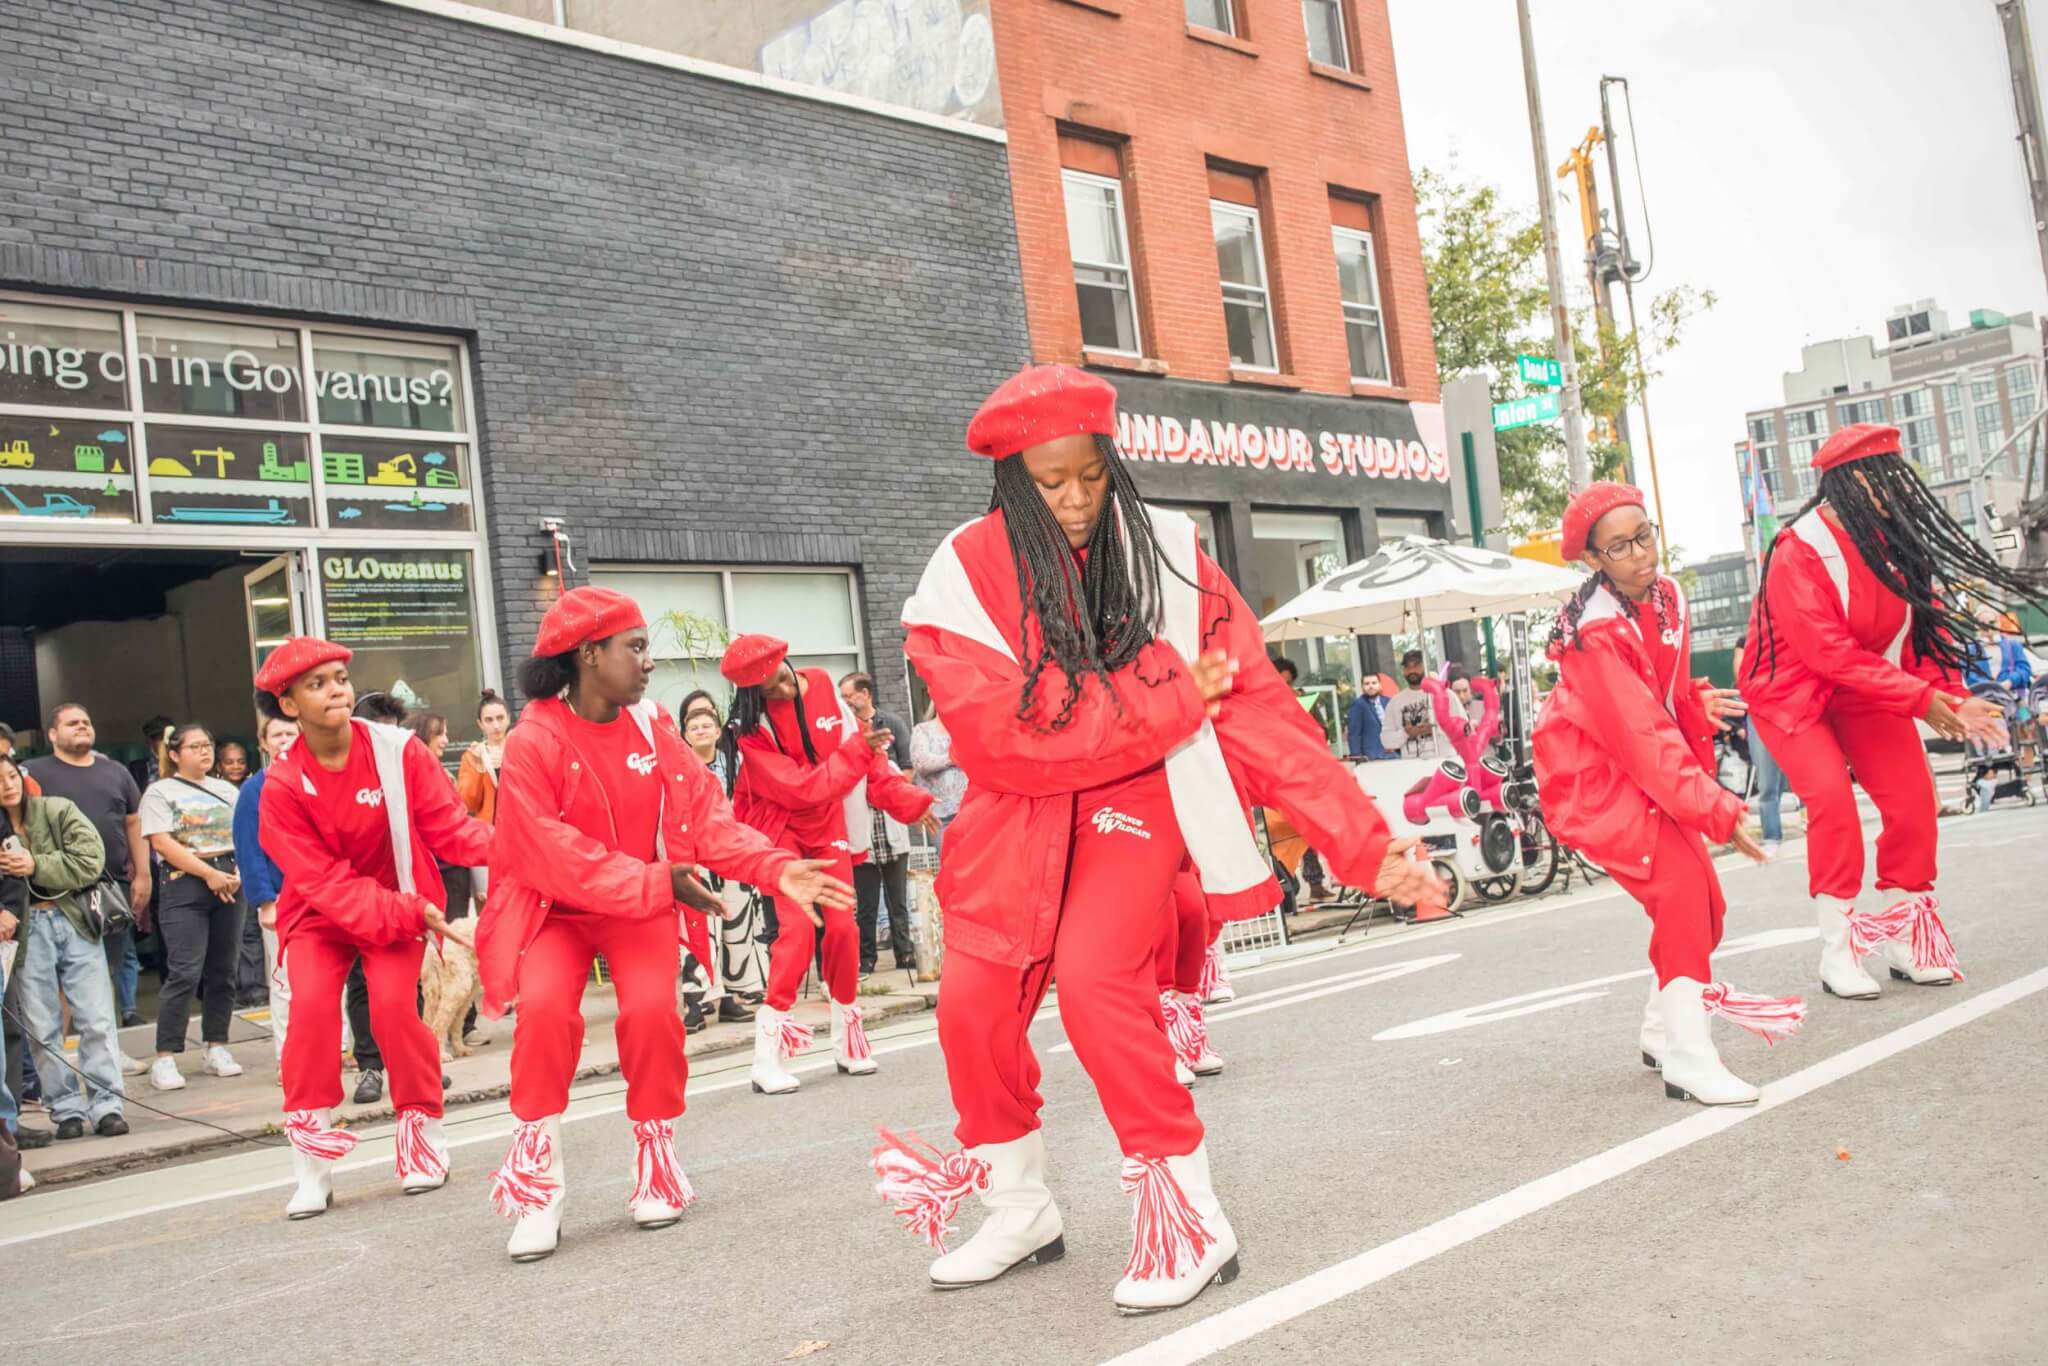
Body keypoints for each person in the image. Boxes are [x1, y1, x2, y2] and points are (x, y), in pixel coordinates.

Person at [874, 364, 1437, 1313]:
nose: (1077, 499)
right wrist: (1169, 697)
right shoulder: (959, 577)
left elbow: (1253, 703)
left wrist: (1358, 840)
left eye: (1093, 474)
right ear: (1011, 479)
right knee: (971, 1011)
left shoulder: (1169, 552)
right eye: (1051, 482)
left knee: (1098, 982)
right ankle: (1019, 1210)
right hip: (1014, 813)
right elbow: (1006, 740)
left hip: (1138, 795)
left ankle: (1188, 1216)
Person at [477, 587, 852, 1261]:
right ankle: (536, 1188)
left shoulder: (653, 727)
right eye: (636, 647)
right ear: (590, 655)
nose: (650, 661)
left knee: (653, 1014)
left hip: (640, 906)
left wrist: (775, 868)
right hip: (556, 911)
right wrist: (654, 880)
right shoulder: (534, 738)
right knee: (545, 1014)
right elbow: (546, 850)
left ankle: (655, 1165)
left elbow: (708, 820)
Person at [1742, 423, 2028, 1000]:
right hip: (1793, 692)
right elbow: (1827, 652)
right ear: (1847, 483)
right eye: (1881, 479)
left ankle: (1908, 935)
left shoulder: (1898, 544)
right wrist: (1920, 699)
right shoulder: (1798, 549)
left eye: (1897, 478)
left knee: (1914, 798)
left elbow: (1921, 637)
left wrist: (1953, 696)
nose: (1893, 490)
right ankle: (1840, 950)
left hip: (1865, 686)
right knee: (1832, 802)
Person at [1534, 483, 1797, 1107]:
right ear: (1594, 559)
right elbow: (1639, 732)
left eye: (1644, 535)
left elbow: (1657, 695)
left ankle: (1662, 1030)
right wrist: (1717, 807)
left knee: (1705, 906)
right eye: (1619, 547)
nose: (1641, 554)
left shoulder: (1669, 595)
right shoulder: (1594, 632)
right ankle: (1687, 1056)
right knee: (1682, 895)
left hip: (1645, 767)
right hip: (1595, 776)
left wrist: (1693, 704)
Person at [255, 637, 487, 1220]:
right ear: (289, 705)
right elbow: (324, 882)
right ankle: (312, 1163)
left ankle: (422, 1137)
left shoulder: (399, 750)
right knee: (311, 1014)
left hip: (399, 901)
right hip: (321, 913)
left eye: (340, 677)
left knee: (392, 1012)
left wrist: (522, 847)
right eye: (317, 684)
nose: (336, 689)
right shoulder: (281, 785)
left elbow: (451, 829)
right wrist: (409, 910)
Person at [720, 635, 937, 1094]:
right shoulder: (751, 731)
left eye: (782, 677)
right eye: (769, 690)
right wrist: (857, 752)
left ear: (787, 661)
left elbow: (869, 760)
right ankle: (767, 1055)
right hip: (779, 827)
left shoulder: (821, 685)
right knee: (798, 932)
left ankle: (848, 1040)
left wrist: (910, 801)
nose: (783, 690)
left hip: (828, 822)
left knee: (844, 929)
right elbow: (803, 789)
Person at [0, 752, 129, 1138]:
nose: (7, 785)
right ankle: (65, 1108)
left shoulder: (56, 809)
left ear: (23, 777)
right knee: (42, 1026)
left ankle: (107, 1104)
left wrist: (36, 864)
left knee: (96, 1017)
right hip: (26, 931)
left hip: (73, 919)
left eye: (11, 776)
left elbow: (91, 859)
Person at [25, 704, 150, 1039]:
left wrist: (142, 875)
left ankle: (106, 1047)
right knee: (58, 982)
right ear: (53, 734)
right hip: (55, 893)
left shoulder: (116, 772)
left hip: (109, 889)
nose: (82, 726)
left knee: (104, 971)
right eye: (72, 723)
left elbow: (134, 823)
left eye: (86, 722)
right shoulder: (31, 773)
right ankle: (61, 1050)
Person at [140, 723, 247, 1092]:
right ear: (174, 754)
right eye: (195, 746)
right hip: (184, 882)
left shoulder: (227, 790)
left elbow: (244, 834)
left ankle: (217, 1046)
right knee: (185, 970)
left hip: (229, 877)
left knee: (224, 968)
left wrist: (236, 872)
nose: (205, 751)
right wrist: (208, 874)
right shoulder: (159, 792)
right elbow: (162, 843)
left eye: (208, 745)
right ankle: (166, 1055)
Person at [681, 690, 763, 1019]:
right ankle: (695, 1001)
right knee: (700, 927)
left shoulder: (735, 762)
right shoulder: (680, 768)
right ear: (685, 735)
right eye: (693, 727)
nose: (701, 731)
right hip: (697, 855)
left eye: (706, 725)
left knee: (736, 924)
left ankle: (730, 996)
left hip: (733, 851)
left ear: (718, 731)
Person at [234, 713, 297, 1065]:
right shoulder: (253, 790)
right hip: (282, 897)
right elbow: (249, 849)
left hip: (323, 894)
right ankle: (289, 1057)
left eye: (290, 732)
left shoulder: (316, 779)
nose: (284, 739)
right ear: (263, 743)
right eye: (276, 734)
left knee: (334, 978)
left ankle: (339, 1047)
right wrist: (265, 901)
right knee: (285, 981)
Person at [1732, 634, 1788, 854]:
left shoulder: (1783, 634)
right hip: (1758, 713)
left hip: (1786, 709)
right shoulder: (1745, 641)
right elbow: (1740, 675)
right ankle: (1772, 836)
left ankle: (1810, 821)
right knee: (1767, 783)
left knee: (1787, 778)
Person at [457, 689, 512, 909]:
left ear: (508, 718)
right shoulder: (472, 755)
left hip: (520, 833)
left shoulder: (521, 747)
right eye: (489, 720)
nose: (496, 725)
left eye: (500, 718)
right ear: (480, 724)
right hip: (490, 836)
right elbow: (468, 802)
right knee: (491, 901)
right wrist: (479, 768)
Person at [909, 705, 967, 858]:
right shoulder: (923, 730)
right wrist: (955, 757)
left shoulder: (966, 728)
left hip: (970, 811)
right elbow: (922, 763)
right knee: (950, 863)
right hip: (939, 815)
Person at [840, 672, 912, 769]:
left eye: (848, 696)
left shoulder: (893, 723)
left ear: (865, 693)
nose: (844, 702)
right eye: (842, 698)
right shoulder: (844, 727)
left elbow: (908, 766)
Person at [1380, 650, 1440, 759]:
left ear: (1425, 666)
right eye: (1407, 667)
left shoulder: (1443, 694)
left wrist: (1434, 729)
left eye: (1416, 665)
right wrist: (1406, 733)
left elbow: (1463, 729)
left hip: (1443, 762)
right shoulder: (1395, 702)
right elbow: (1386, 741)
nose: (1412, 670)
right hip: (1410, 765)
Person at [1346, 673, 1397, 760]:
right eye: (1367, 684)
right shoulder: (1358, 704)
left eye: (1374, 683)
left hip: (1393, 755)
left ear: (1380, 685)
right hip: (1371, 757)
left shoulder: (1389, 702)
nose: (1371, 686)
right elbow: (1354, 734)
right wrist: (1356, 757)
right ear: (1362, 687)